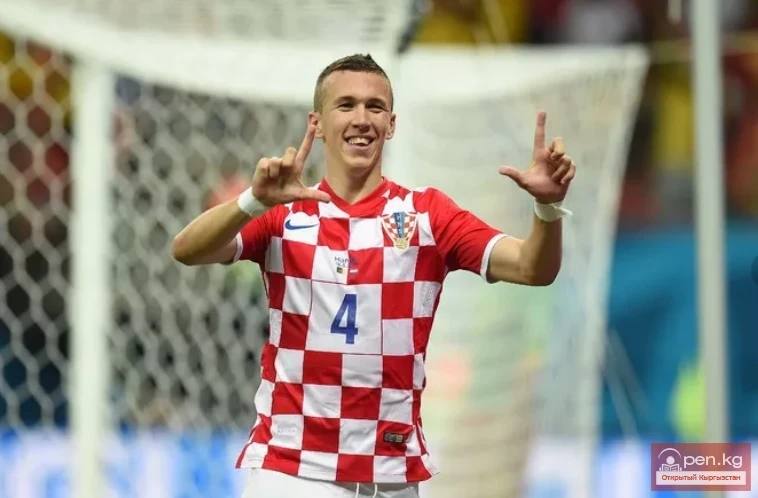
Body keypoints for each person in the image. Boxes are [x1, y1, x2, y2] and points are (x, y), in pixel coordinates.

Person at [172, 54, 576, 498]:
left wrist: (547, 207)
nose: (361, 119)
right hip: (292, 470)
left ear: (392, 124)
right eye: (346, 105)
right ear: (317, 123)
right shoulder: (282, 213)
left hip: (391, 476)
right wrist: (253, 201)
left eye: (375, 107)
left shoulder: (428, 215)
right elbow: (187, 250)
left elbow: (532, 268)